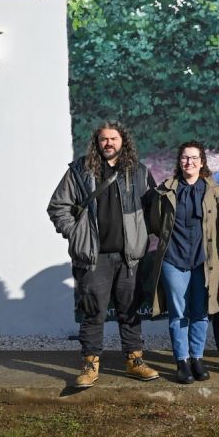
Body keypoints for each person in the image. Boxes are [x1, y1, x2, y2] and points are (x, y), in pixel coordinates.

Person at [47, 121, 159, 388]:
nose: (108, 143)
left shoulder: (139, 172)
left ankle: (134, 360)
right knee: (93, 312)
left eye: (113, 138)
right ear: (97, 143)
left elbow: (152, 208)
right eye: (103, 139)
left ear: (123, 141)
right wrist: (75, 232)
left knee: (129, 310)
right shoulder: (80, 170)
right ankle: (90, 365)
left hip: (128, 257)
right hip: (94, 257)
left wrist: (143, 236)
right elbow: (58, 206)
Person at [148, 141, 219, 384]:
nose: (189, 162)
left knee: (201, 310)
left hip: (203, 261)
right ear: (179, 162)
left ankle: (197, 358)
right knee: (178, 312)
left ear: (202, 162)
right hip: (173, 259)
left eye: (194, 158)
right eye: (184, 158)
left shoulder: (214, 191)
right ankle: (182, 361)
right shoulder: (166, 190)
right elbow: (156, 223)